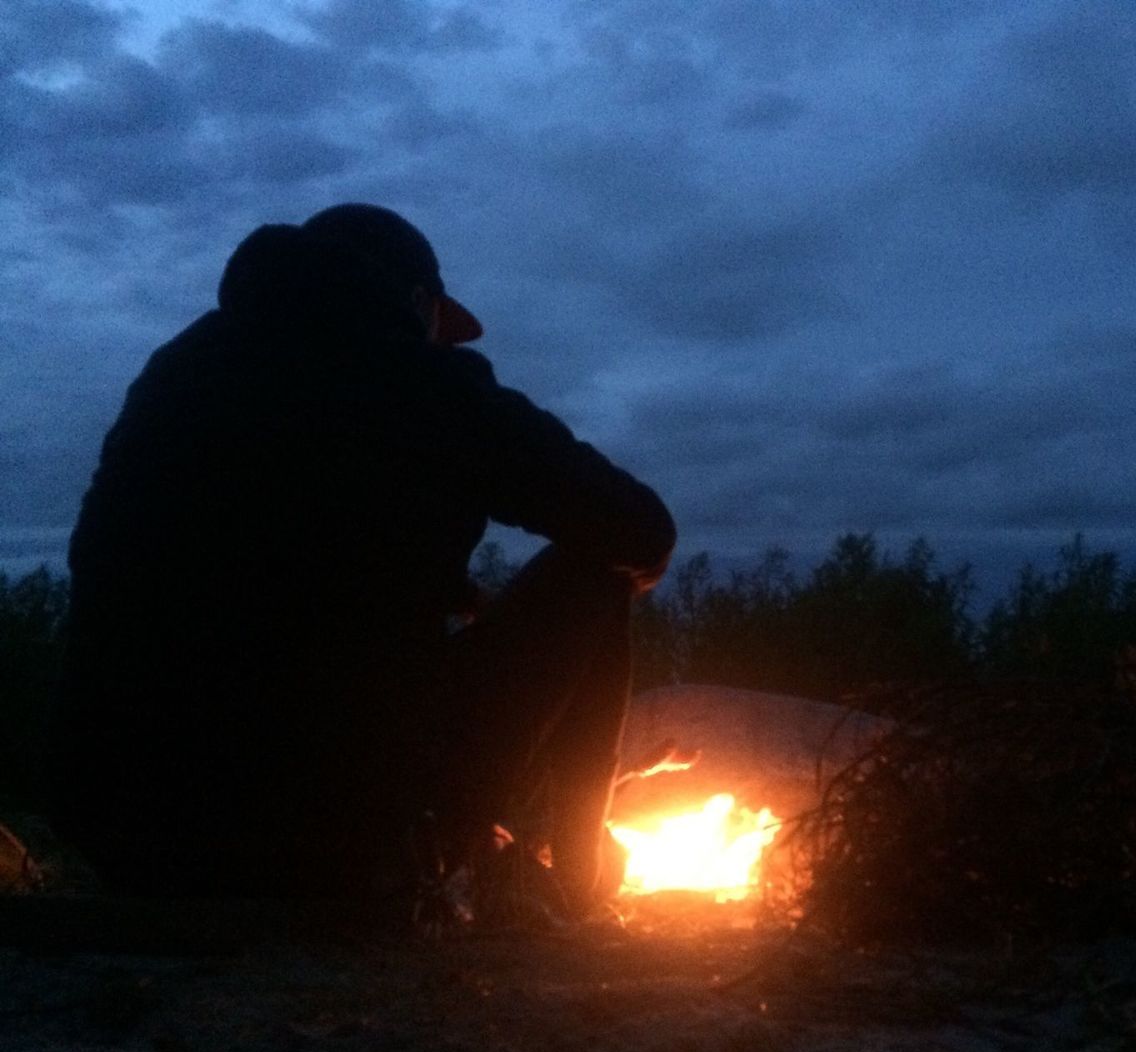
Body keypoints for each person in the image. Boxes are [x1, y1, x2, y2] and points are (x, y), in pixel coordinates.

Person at [50, 203, 675, 920]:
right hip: (333, 844)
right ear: (416, 301)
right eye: (439, 324)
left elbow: (264, 552)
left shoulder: (177, 375)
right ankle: (581, 885)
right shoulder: (422, 381)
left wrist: (442, 587)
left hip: (124, 835)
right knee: (598, 574)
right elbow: (642, 529)